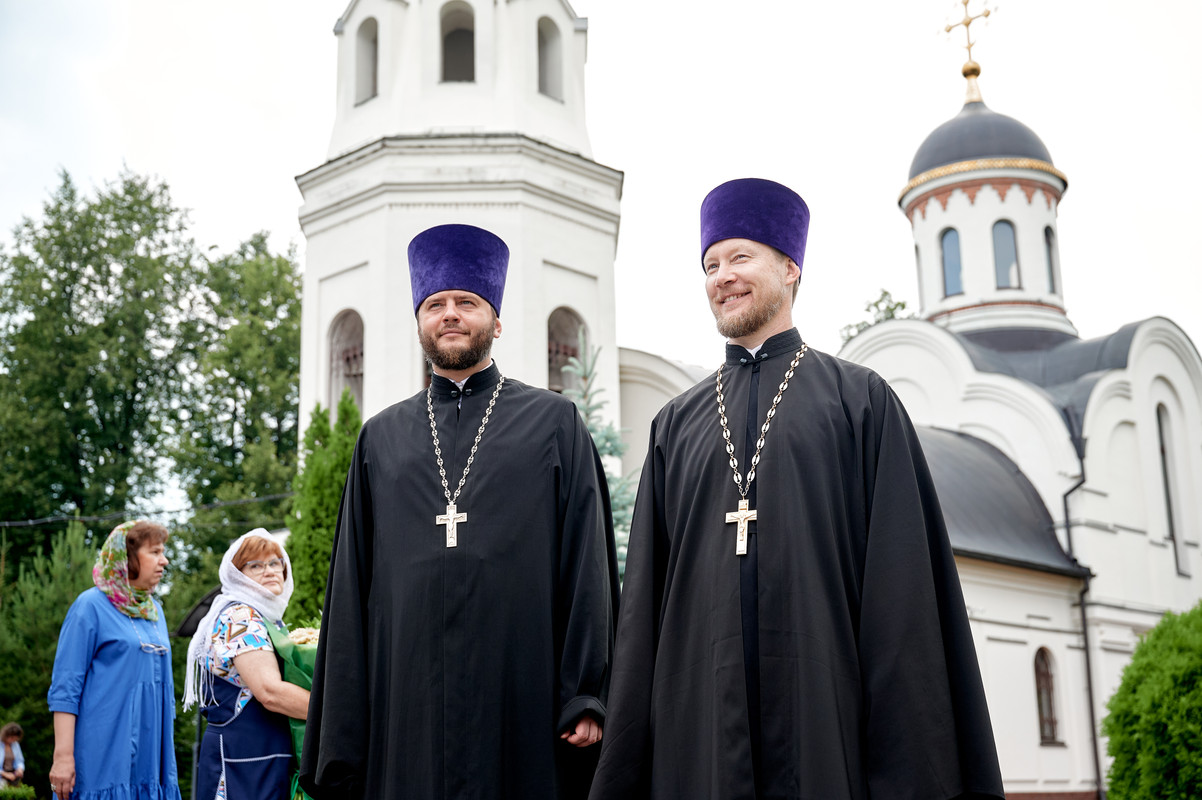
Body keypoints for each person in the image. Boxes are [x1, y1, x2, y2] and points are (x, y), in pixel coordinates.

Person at [588, 178, 1005, 800]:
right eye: (710, 265)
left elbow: (902, 594)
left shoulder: (858, 401)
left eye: (739, 257)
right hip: (699, 732)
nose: (722, 276)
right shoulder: (675, 424)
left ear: (790, 268)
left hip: (825, 719)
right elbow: (646, 605)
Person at [300, 223, 620, 800]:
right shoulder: (381, 437)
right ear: (419, 322)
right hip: (406, 701)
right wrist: (341, 728)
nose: (450, 314)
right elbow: (351, 586)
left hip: (520, 690)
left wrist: (586, 692)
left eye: (466, 303)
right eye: (435, 305)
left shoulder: (554, 423)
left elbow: (587, 561)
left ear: (495, 321)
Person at [48, 520, 180, 800]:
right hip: (103, 752)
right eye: (155, 552)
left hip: (151, 753)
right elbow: (66, 688)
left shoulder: (154, 610)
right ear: (128, 557)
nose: (164, 560)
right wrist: (63, 756)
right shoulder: (89, 606)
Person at [183, 529, 309, 800]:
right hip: (242, 762)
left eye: (276, 562)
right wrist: (337, 715)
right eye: (256, 565)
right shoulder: (240, 616)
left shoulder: (266, 618)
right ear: (237, 575)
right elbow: (270, 692)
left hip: (263, 757)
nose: (270, 570)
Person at [0, 722, 25, 787]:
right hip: (2, 777)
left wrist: (20, 769)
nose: (13, 740)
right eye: (11, 738)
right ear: (6, 735)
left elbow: (20, 761)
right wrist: (5, 774)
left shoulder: (15, 745)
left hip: (13, 776)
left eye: (15, 739)